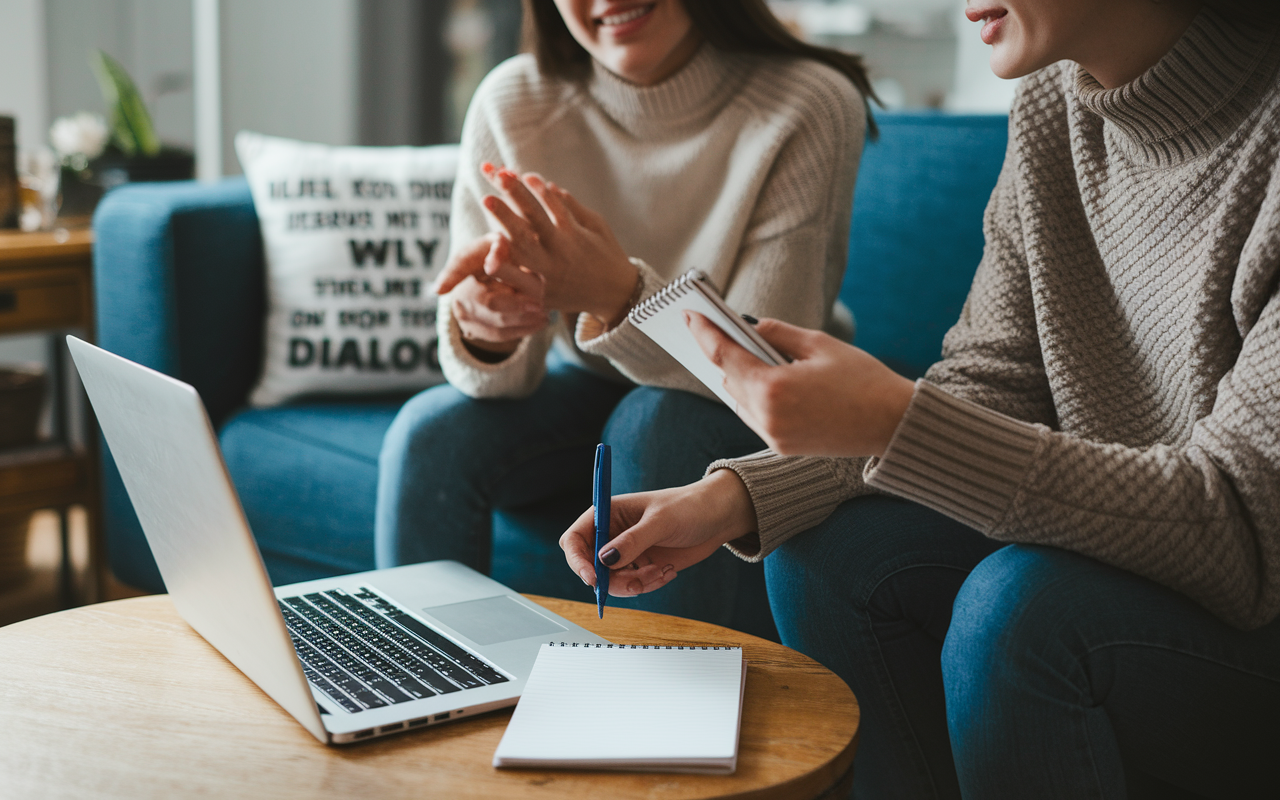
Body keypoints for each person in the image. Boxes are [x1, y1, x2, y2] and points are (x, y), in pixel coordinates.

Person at [560, 0, 1280, 796]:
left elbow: (1240, 527)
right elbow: (990, 384)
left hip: (1254, 617)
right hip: (1140, 571)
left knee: (1023, 613)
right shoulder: (1052, 108)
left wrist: (895, 421)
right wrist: (736, 496)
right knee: (832, 555)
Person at [375, 0, 873, 626]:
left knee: (656, 421)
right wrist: (487, 332)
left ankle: (667, 708)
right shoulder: (513, 100)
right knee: (429, 435)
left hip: (744, 408)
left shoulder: (809, 101)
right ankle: (424, 696)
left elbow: (757, 380)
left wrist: (618, 294)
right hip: (587, 379)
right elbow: (500, 379)